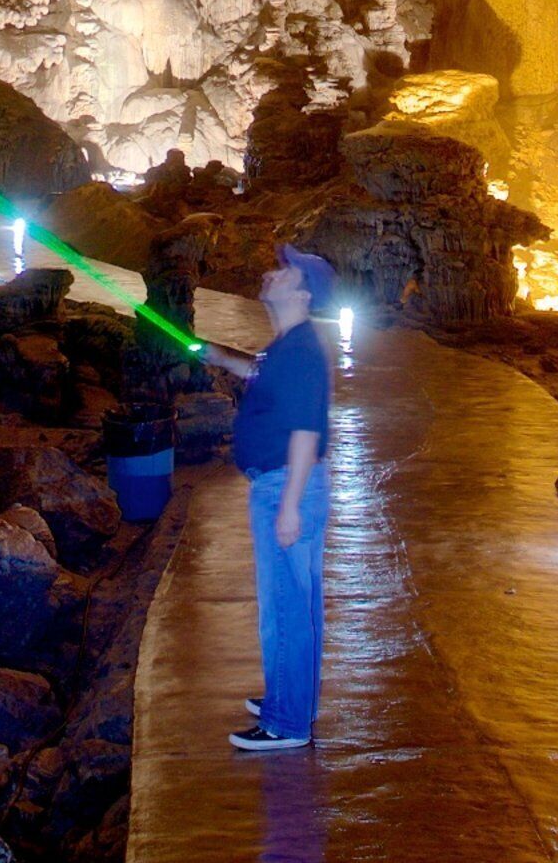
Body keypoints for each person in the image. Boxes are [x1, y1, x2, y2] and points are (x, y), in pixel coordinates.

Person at [206, 243, 337, 752]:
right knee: (297, 603)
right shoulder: (290, 345)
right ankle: (293, 699)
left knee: (283, 607)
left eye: (285, 273)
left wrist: (289, 506)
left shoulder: (301, 351)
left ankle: (286, 723)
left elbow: (306, 430)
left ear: (303, 295)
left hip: (286, 485)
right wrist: (217, 356)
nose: (272, 273)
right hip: (287, 484)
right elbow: (261, 374)